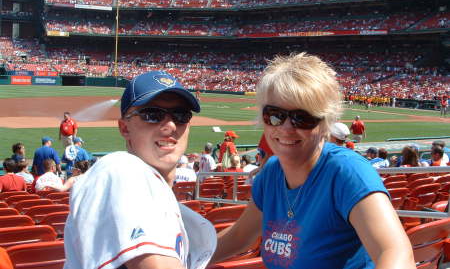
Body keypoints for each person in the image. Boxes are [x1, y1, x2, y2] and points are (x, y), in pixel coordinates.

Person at [211, 52, 414, 268]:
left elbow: (395, 252)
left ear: (326, 122)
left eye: (303, 117)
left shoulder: (346, 172)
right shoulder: (271, 172)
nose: (286, 128)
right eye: (274, 114)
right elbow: (241, 236)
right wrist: (183, 260)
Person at [64, 70, 216, 269]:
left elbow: (197, 256)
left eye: (181, 115)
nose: (170, 125)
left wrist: (260, 206)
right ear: (125, 128)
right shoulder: (121, 170)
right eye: (152, 115)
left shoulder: (158, 193)